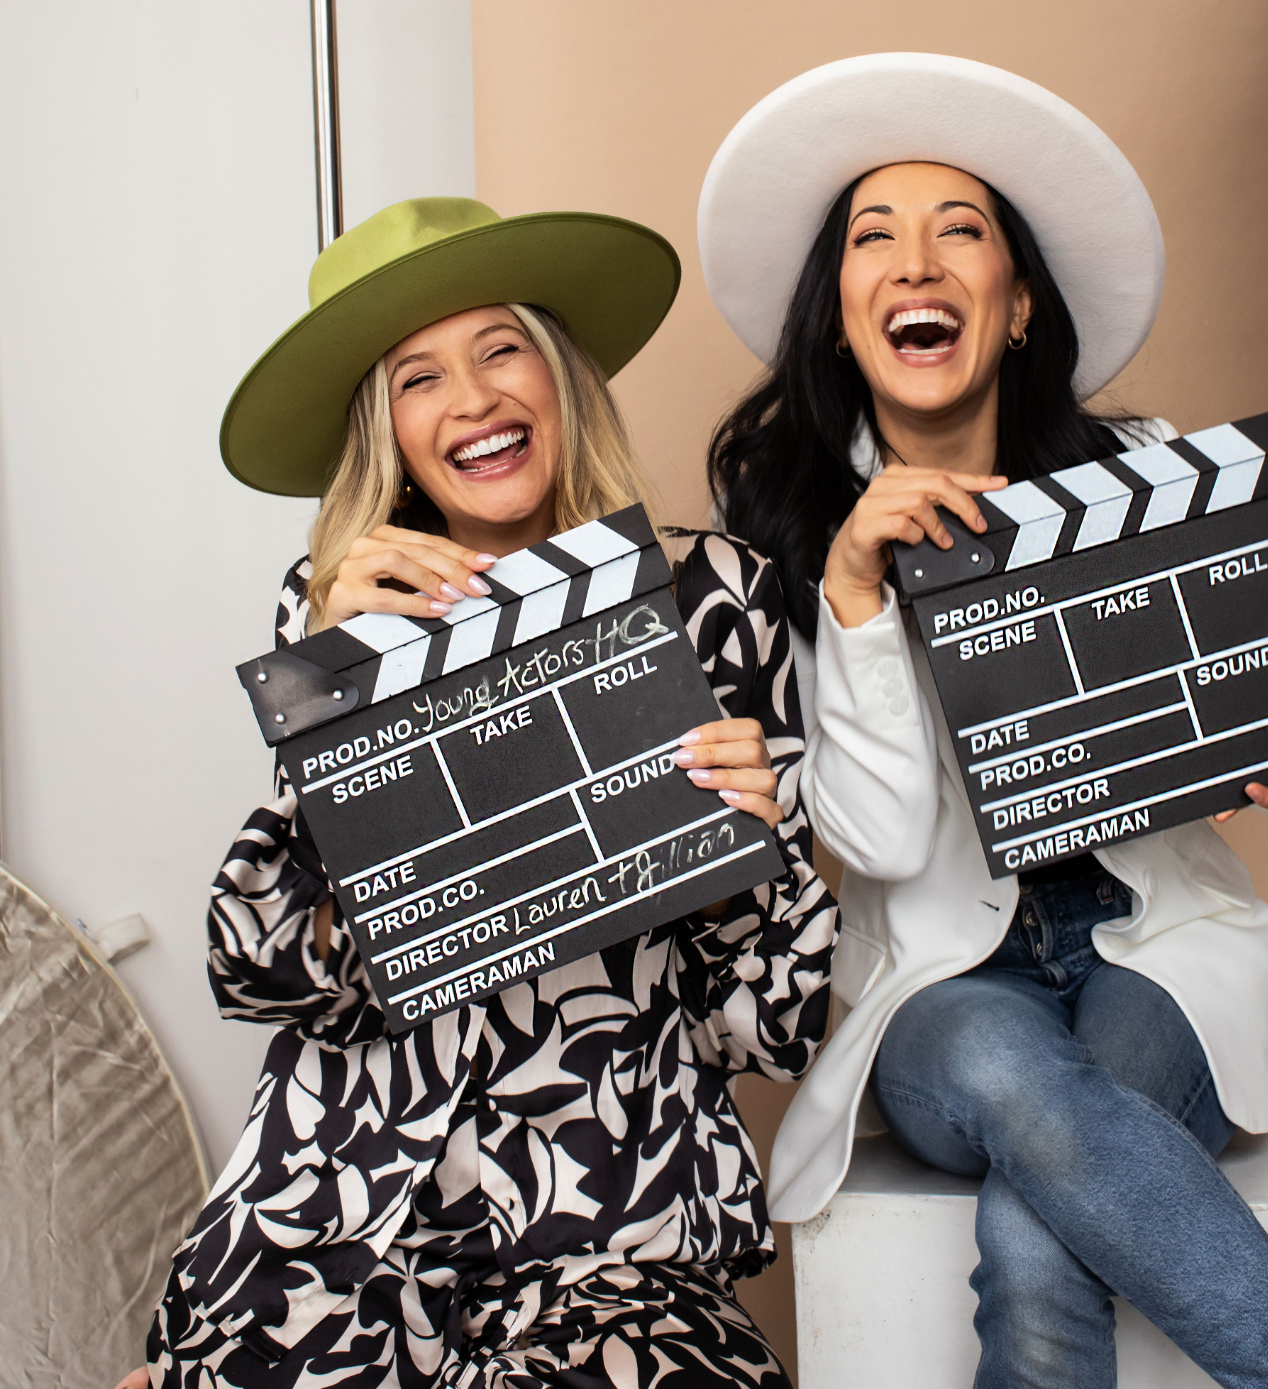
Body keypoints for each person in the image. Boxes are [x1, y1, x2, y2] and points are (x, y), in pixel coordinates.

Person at [128, 197, 835, 1389]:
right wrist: (335, 701)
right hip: (335, 1223)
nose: (470, 398)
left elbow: (767, 1029)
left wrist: (745, 859)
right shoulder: (334, 611)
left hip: (611, 1231)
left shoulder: (717, 598)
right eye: (418, 378)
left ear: (559, 378)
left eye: (500, 349)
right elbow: (270, 972)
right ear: (388, 435)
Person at [699, 54, 1268, 1387]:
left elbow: (1215, 697)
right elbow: (874, 838)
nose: (916, 264)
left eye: (960, 232)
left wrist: (1246, 737)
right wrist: (855, 596)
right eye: (874, 238)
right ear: (839, 316)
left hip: (1154, 942)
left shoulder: (1141, 474)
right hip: (938, 985)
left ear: (1019, 302)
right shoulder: (777, 545)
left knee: (1041, 1226)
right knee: (1014, 1076)